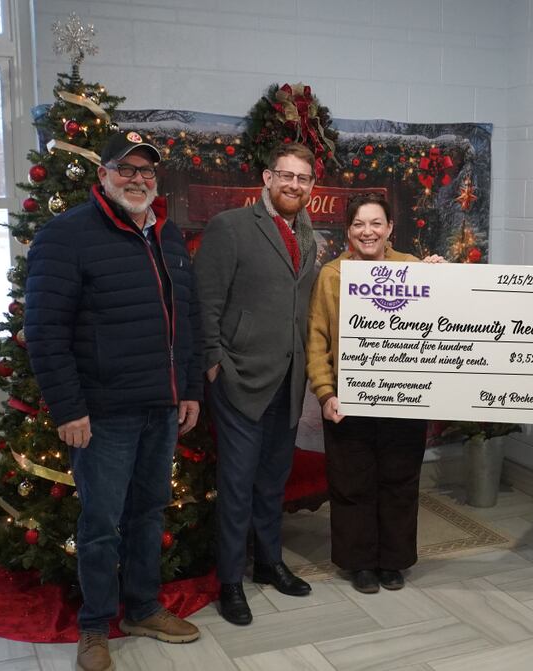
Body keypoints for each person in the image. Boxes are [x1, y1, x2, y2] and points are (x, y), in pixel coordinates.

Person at [25, 130, 202, 671]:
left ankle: (143, 607)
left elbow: (187, 320)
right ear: (103, 175)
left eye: (146, 170)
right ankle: (95, 625)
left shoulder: (168, 236)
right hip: (103, 414)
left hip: (161, 408)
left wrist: (189, 389)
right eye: (126, 169)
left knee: (148, 512)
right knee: (101, 523)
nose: (137, 179)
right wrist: (68, 408)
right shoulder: (66, 235)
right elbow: (45, 331)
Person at [194, 143, 317, 626]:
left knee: (272, 481)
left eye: (302, 178)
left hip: (288, 380)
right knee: (237, 484)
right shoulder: (231, 227)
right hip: (239, 378)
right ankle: (230, 580)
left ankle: (268, 562)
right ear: (267, 178)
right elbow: (205, 301)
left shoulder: (308, 235)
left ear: (311, 186)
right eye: (286, 175)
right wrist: (213, 363)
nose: (293, 185)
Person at [306, 192, 443, 594]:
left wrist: (443, 277)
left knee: (400, 481)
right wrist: (325, 392)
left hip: (404, 397)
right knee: (353, 483)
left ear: (390, 228)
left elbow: (443, 318)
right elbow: (316, 338)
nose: (368, 232)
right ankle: (360, 563)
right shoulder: (332, 274)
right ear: (348, 231)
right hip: (348, 400)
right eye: (359, 224)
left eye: (376, 223)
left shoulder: (413, 267)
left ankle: (393, 561)